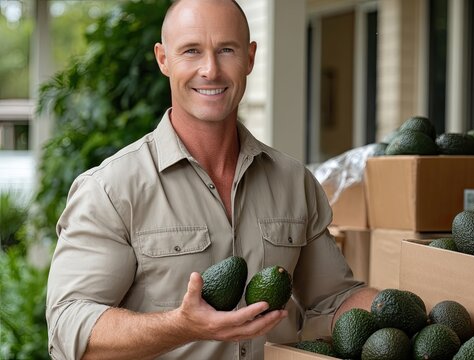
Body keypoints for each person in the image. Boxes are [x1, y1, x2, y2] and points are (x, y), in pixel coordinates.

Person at [45, 0, 377, 359]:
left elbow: (336, 300)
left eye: (226, 50)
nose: (210, 69)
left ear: (249, 58)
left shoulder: (293, 181)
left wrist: (423, 307)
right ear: (163, 59)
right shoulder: (111, 189)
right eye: (191, 51)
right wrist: (180, 326)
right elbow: (68, 328)